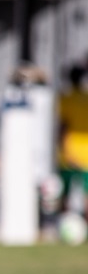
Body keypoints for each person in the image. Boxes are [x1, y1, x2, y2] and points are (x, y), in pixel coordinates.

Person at [57, 64, 88, 218]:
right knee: (86, 195)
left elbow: (64, 126)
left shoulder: (65, 99)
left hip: (68, 153)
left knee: (65, 195)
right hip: (86, 154)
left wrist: (62, 149)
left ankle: (62, 223)